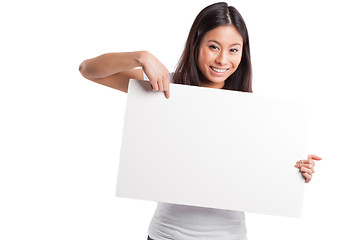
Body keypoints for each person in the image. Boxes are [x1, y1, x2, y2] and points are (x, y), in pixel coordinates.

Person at [79, 2, 322, 239]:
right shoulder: (165, 88)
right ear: (196, 43)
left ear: (243, 53)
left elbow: (259, 175)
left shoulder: (250, 111)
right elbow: (88, 69)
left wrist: (295, 171)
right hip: (167, 234)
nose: (223, 60)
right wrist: (140, 57)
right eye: (214, 47)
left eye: (233, 49)